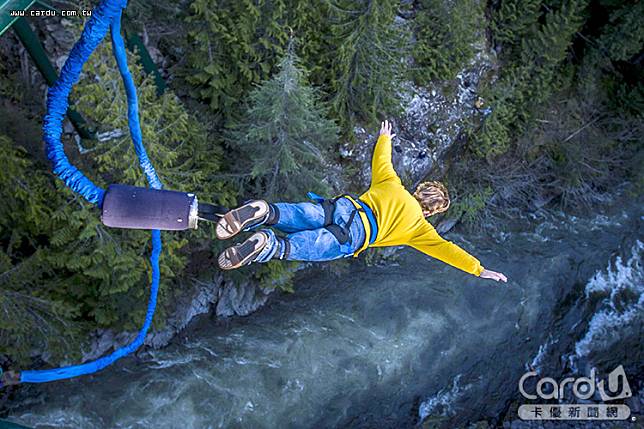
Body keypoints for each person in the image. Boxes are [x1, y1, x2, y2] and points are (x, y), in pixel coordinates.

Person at [216, 120, 507, 283]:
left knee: (301, 214)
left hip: (344, 207)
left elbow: (383, 160)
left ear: (419, 189)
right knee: (301, 247)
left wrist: (385, 137)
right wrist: (479, 269)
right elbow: (447, 251)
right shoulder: (420, 229)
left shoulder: (392, 184)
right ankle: (268, 244)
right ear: (431, 212)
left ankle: (265, 211)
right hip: (356, 235)